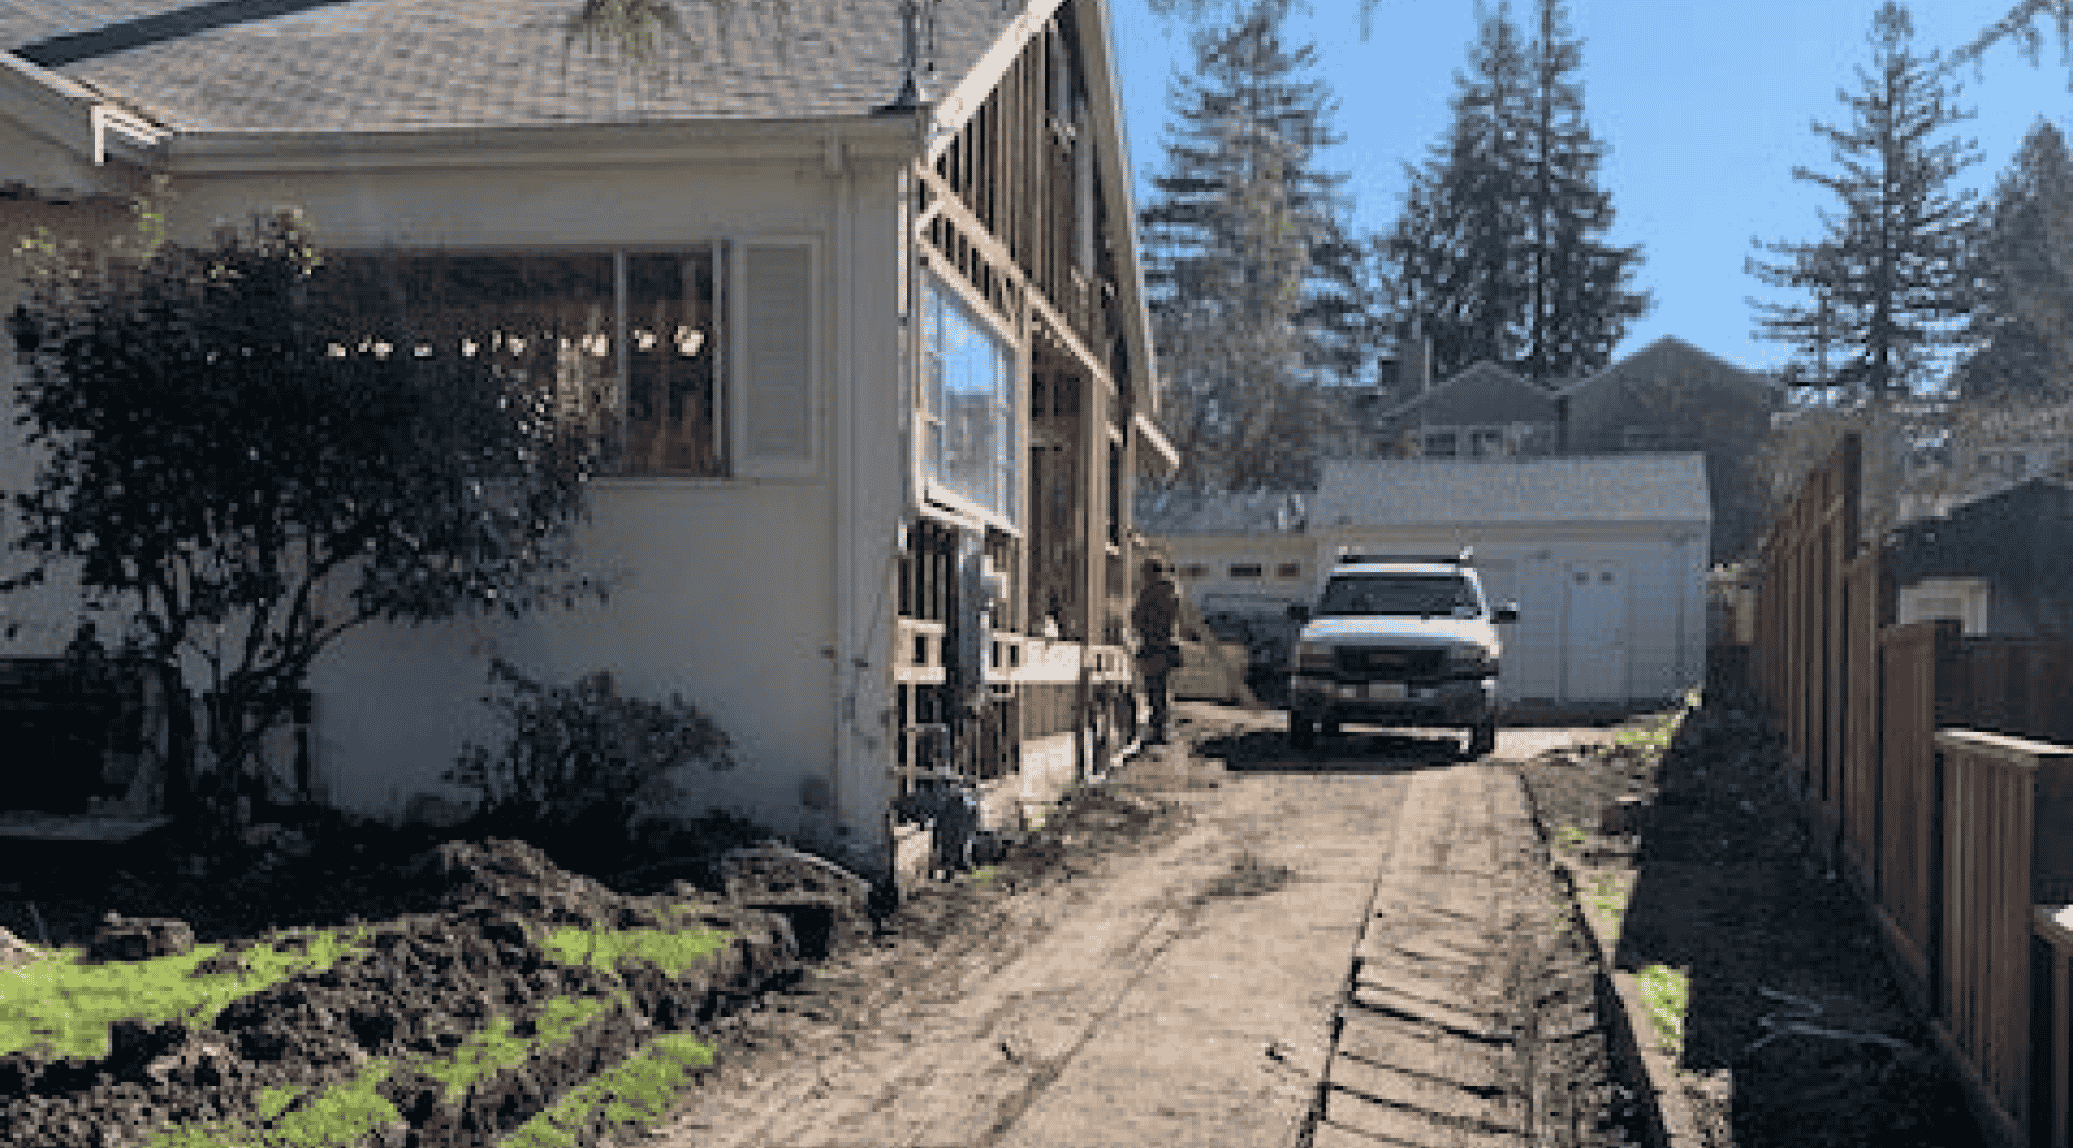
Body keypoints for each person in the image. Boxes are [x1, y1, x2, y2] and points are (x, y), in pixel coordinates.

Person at [1132, 558, 1182, 744]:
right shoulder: (1172, 591)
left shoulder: (1150, 593)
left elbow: (1137, 618)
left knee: (1154, 690)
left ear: (1151, 573)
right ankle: (1165, 729)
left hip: (1154, 647)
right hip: (1168, 647)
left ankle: (1158, 731)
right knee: (1163, 688)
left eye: (1145, 572)